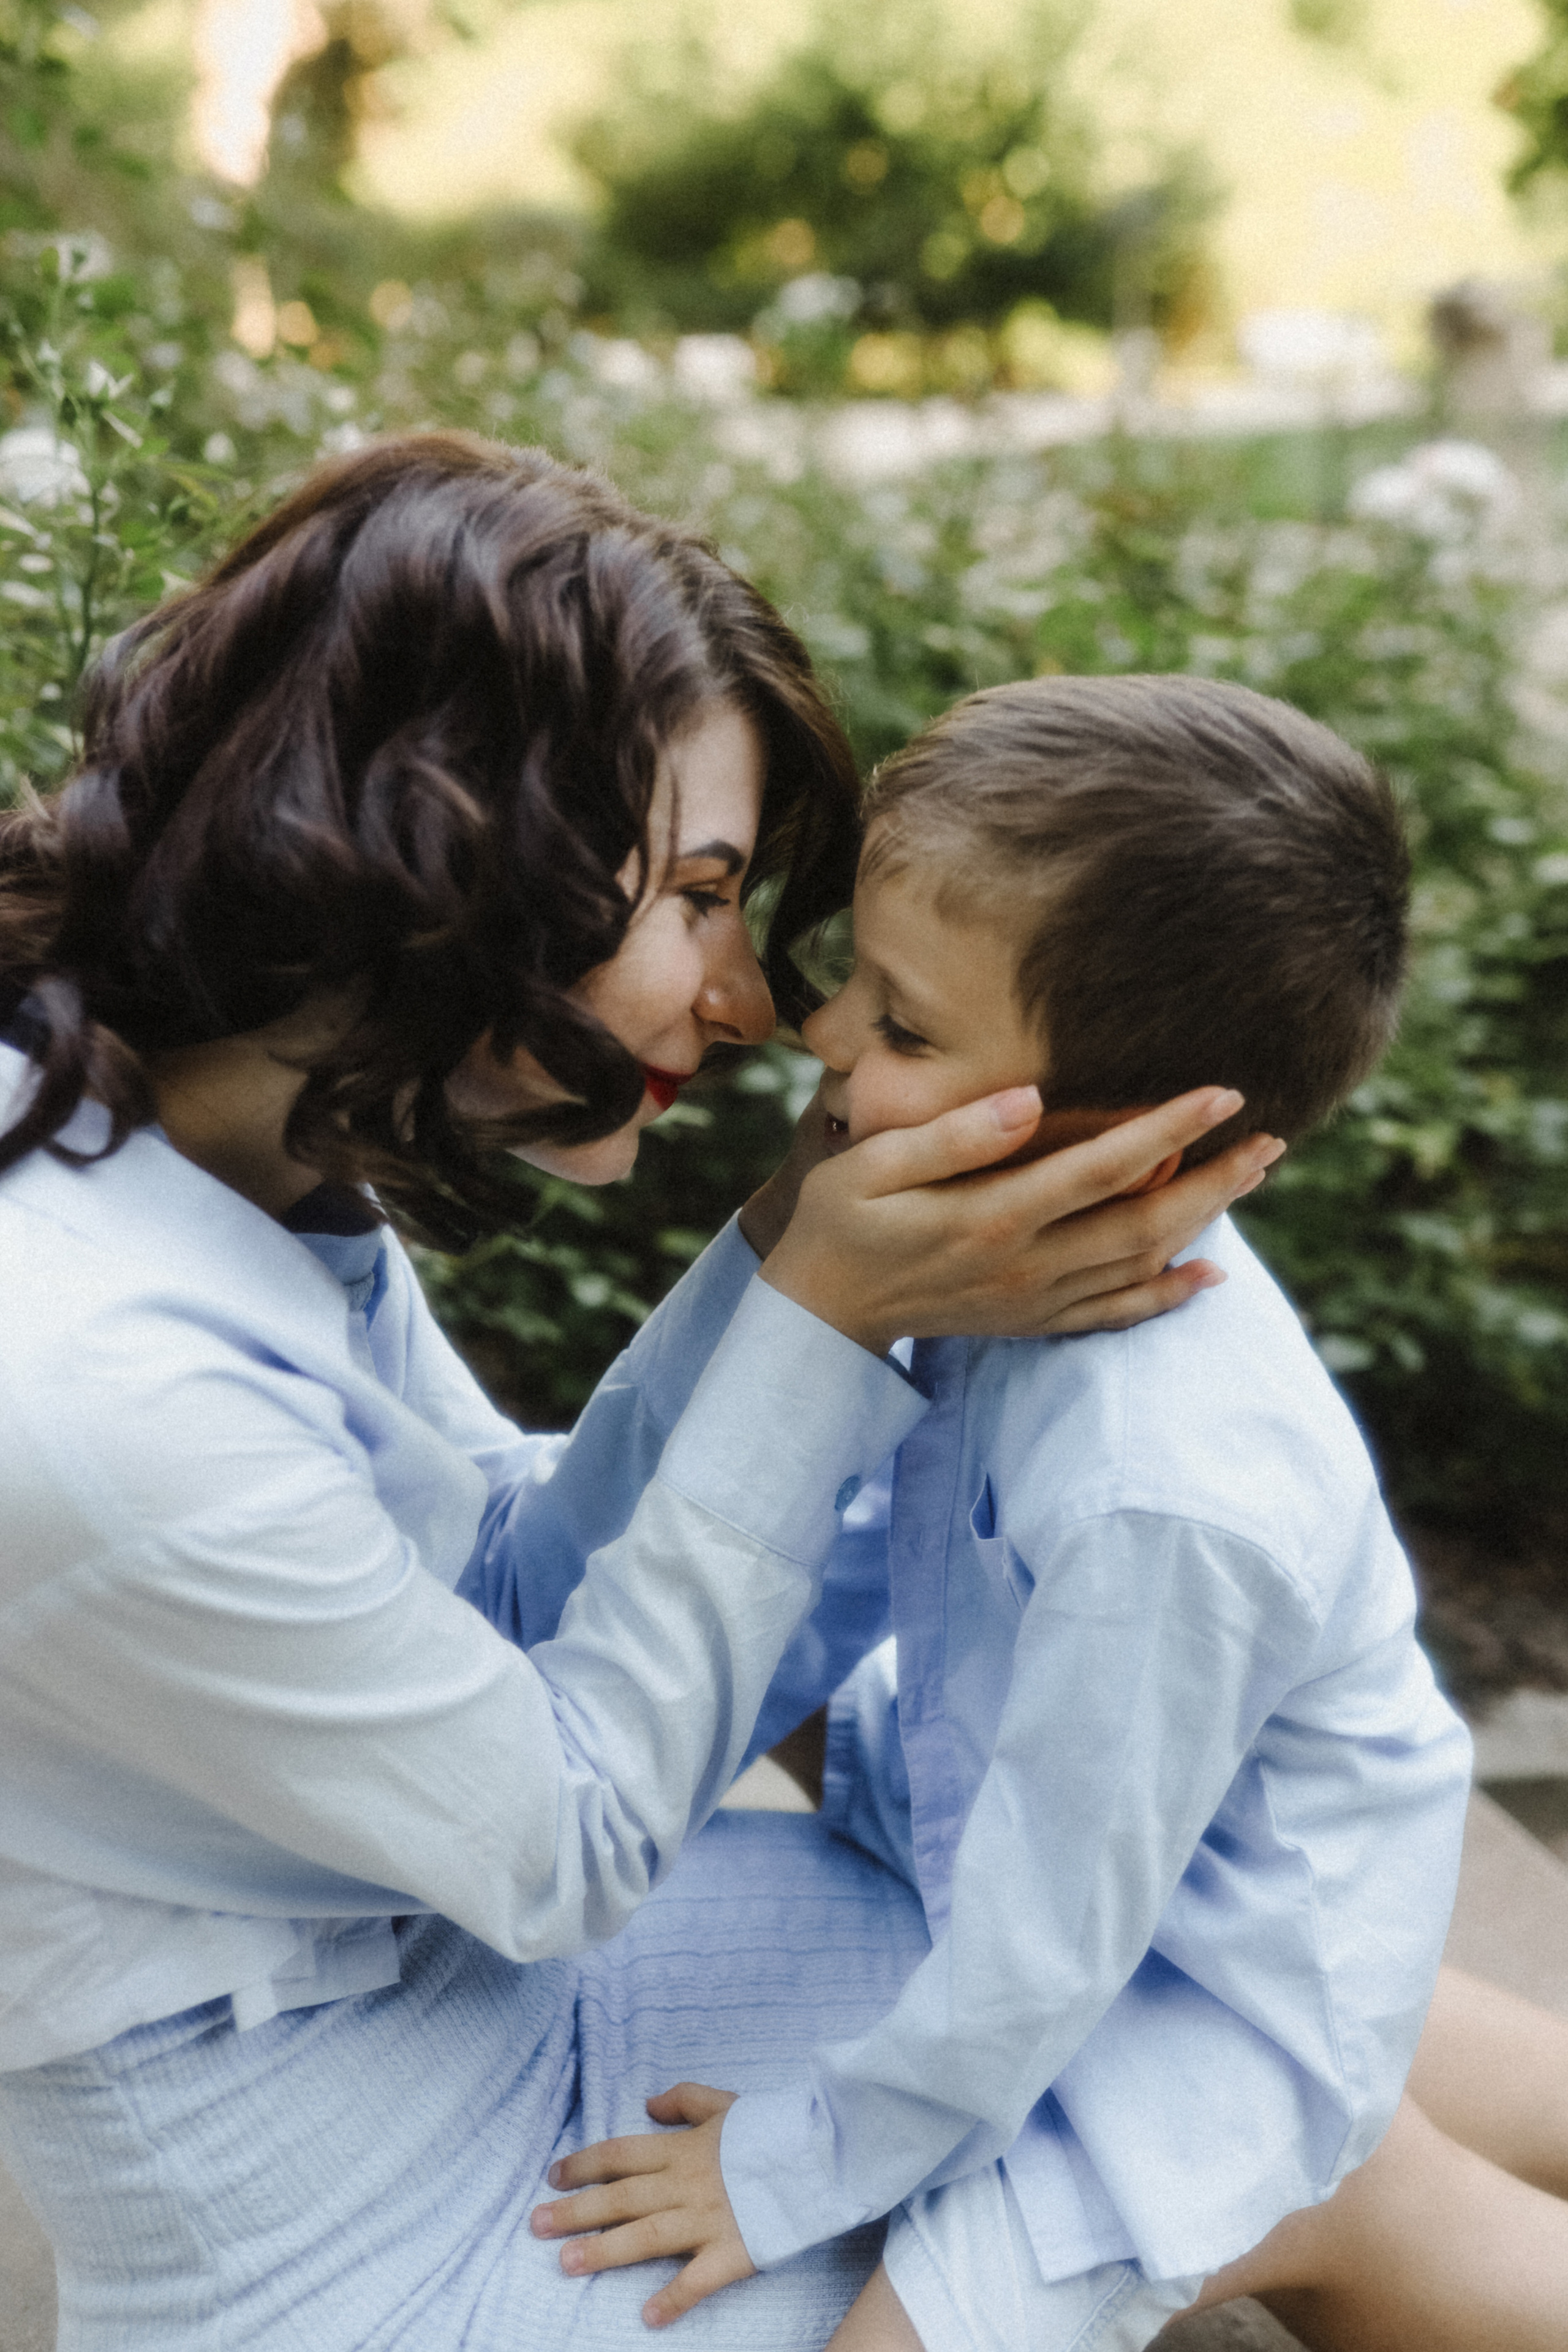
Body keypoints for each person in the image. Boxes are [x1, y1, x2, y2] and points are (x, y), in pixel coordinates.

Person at [0, 437, 1276, 2351]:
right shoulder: (89, 1379)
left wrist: (793, 1262)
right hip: (366, 2249)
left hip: (443, 2016)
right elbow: (571, 1845)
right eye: (699, 892)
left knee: (1229, 1997)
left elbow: (505, 1602)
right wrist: (826, 1325)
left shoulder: (198, 1131)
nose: (756, 1003)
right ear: (444, 847)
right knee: (1238, 2127)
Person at [533, 676, 1568, 2352]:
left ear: (1149, 1150)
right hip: (1071, 1812)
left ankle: (1305, 2187)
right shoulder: (1027, 1284)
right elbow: (837, 1567)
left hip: (1179, 1992)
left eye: (907, 1028)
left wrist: (791, 2165)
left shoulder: (1166, 1486)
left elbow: (1042, 1952)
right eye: (858, 984)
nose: (821, 1041)